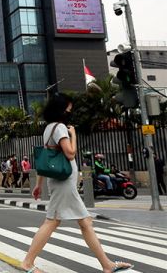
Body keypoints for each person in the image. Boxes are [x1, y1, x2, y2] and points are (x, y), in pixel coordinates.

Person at [21, 93, 132, 273]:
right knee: (52, 221)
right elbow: (70, 153)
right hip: (63, 183)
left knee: (85, 222)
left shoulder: (48, 128)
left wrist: (39, 185)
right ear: (61, 110)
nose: (69, 113)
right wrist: (73, 135)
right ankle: (27, 262)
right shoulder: (60, 128)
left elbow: (46, 159)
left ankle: (107, 265)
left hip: (62, 183)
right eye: (68, 110)